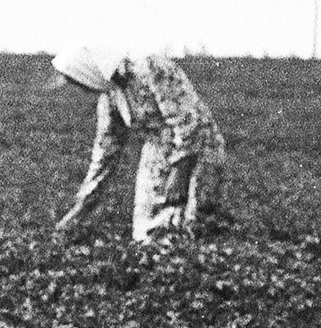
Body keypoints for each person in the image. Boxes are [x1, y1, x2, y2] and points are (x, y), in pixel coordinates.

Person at [50, 44, 226, 247]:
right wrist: (80, 210)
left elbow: (187, 122)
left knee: (192, 223)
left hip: (198, 150)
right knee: (148, 234)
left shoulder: (150, 66)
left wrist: (179, 173)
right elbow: (105, 154)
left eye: (80, 81)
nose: (84, 88)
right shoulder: (110, 96)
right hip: (158, 154)